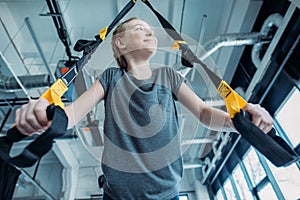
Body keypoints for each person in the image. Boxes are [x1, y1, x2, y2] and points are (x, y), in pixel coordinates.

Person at [15, 18, 273, 200]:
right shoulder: (110, 78)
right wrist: (47, 114)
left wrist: (238, 121)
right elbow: (71, 114)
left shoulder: (168, 76)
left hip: (168, 195)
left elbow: (204, 113)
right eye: (140, 29)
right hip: (117, 196)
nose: (150, 33)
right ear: (120, 44)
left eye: (150, 30)